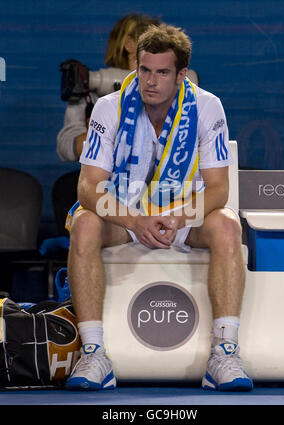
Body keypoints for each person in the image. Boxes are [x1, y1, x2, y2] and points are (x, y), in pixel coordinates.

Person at [65, 24, 253, 392]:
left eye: (162, 72)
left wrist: (177, 215)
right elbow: (88, 186)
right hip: (126, 216)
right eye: (144, 70)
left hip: (180, 216)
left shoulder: (206, 105)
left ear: (182, 74)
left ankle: (224, 352)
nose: (150, 81)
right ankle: (93, 354)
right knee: (85, 223)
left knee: (228, 224)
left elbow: (218, 188)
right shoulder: (109, 106)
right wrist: (136, 218)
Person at [53, 14, 160, 236]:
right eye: (137, 56)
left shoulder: (174, 97)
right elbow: (66, 146)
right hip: (105, 185)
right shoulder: (92, 95)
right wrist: (103, 132)